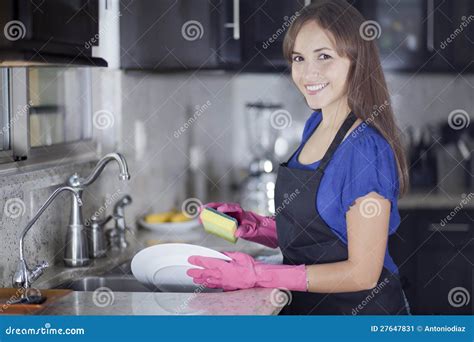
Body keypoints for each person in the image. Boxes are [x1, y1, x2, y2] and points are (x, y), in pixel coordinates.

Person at [186, 0, 410, 315]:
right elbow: (321, 231)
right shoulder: (316, 124)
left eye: (325, 57)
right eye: (299, 58)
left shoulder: (364, 149)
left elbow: (363, 272)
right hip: (312, 311)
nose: (308, 73)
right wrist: (256, 226)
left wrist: (257, 275)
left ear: (357, 61)